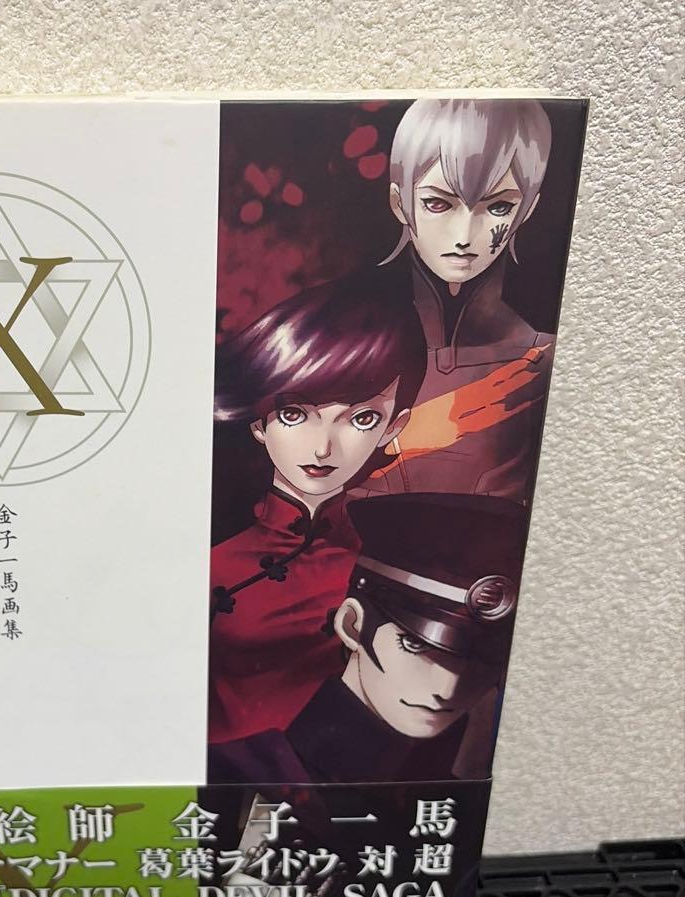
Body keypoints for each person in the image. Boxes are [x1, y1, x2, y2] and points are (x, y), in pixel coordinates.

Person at [208, 278, 426, 744]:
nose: (323, 448)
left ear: (394, 427)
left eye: (362, 418)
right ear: (259, 422)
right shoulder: (208, 553)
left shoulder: (391, 565)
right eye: (295, 414)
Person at [209, 492, 525, 783]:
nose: (448, 689)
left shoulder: (467, 777)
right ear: (353, 625)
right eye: (414, 644)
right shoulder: (236, 774)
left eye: (486, 656)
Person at [359, 97, 555, 502]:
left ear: (527, 210)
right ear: (400, 203)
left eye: (498, 206)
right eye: (438, 203)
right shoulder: (344, 347)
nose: (464, 236)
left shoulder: (543, 365)